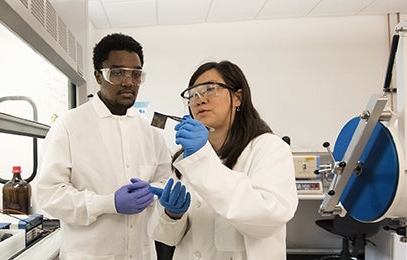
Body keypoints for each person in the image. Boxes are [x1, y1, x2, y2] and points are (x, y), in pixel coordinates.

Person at [35, 33, 171, 259]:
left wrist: (153, 192)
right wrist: (108, 203)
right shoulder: (69, 126)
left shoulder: (150, 132)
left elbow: (165, 180)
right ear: (98, 76)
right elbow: (48, 195)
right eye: (117, 73)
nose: (128, 82)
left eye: (136, 74)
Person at [149, 60, 299, 259]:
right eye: (193, 94)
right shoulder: (185, 158)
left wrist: (202, 158)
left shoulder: (268, 148)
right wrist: (172, 215)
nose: (200, 99)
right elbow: (169, 238)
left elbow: (268, 219)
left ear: (238, 97)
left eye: (210, 89)